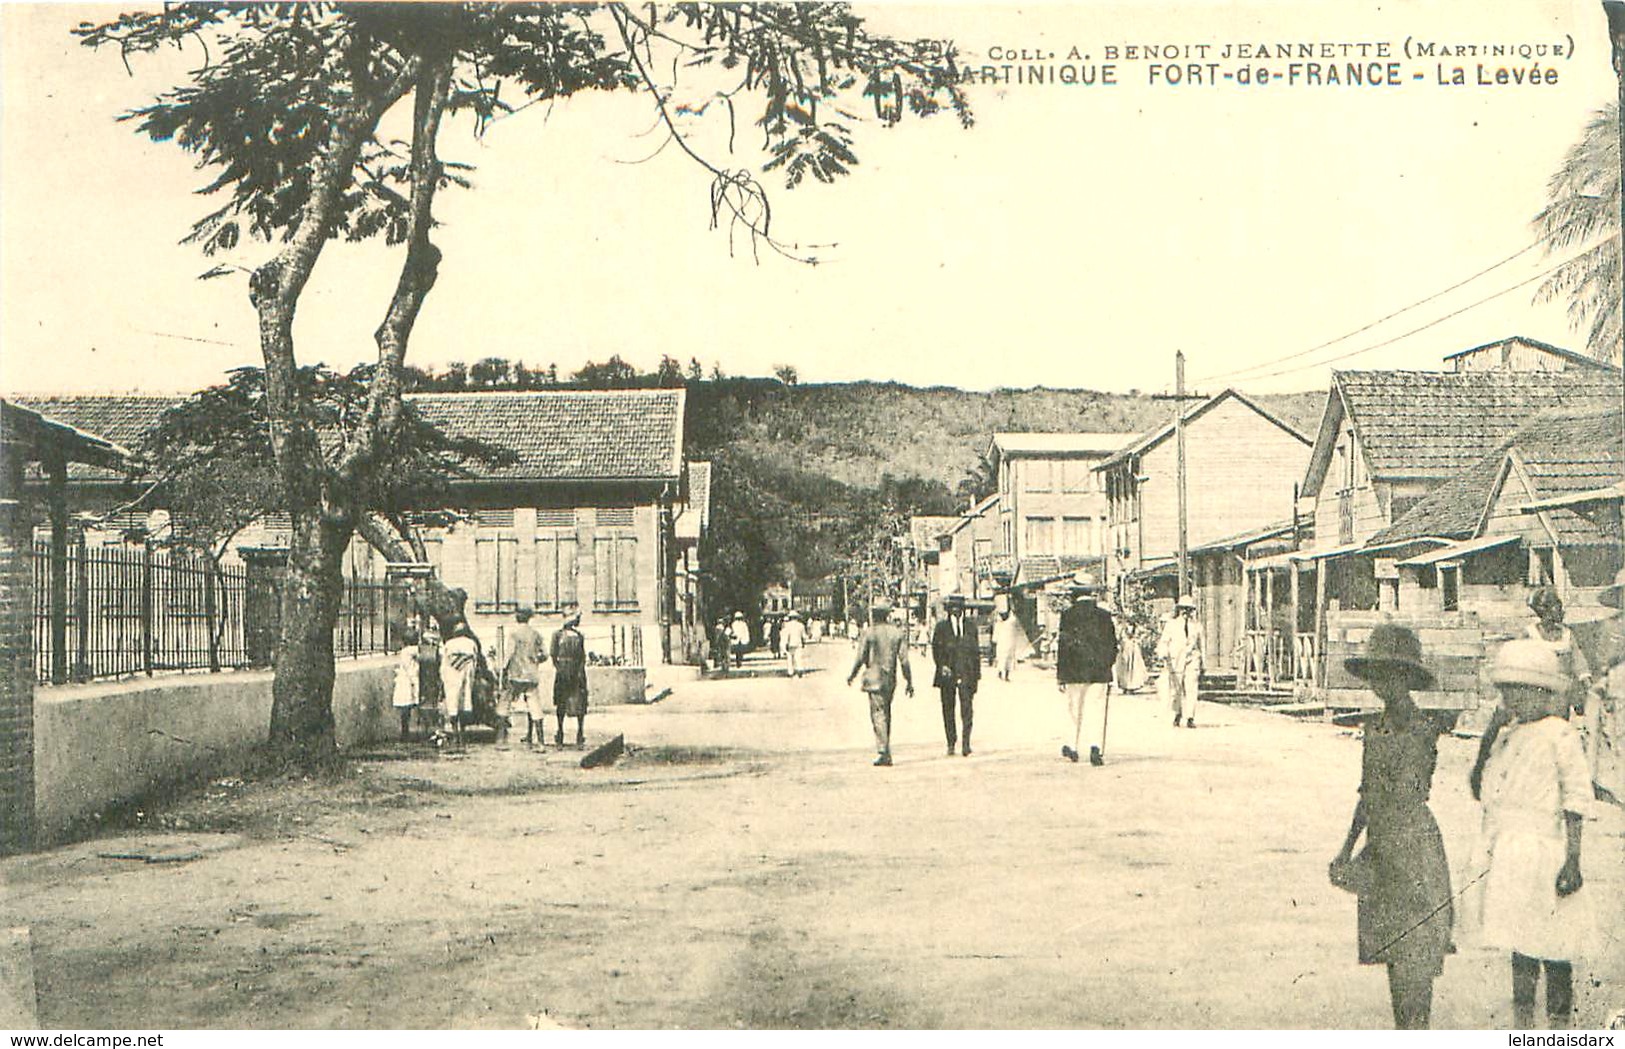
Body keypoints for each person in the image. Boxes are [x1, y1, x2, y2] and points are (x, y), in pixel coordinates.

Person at [1329, 624, 1454, 1030]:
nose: (1383, 683)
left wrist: (1375, 841)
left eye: (1392, 674)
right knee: (1394, 956)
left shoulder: (1421, 729)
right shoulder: (1376, 728)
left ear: (1408, 678)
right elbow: (1367, 794)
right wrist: (1347, 848)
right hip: (1383, 843)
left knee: (1414, 960)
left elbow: (1408, 793)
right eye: (1377, 675)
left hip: (1412, 847)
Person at [1461, 639, 1591, 1030]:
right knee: (1520, 945)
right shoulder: (1507, 734)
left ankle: (1559, 1029)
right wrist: (1488, 737)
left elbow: (1576, 799)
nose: (1513, 699)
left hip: (1545, 852)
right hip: (1510, 852)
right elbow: (1478, 788)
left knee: (1554, 946)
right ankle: (1523, 1027)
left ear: (1544, 692)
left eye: (1522, 691)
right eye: (1507, 691)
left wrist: (1573, 859)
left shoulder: (1559, 733)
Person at [1055, 574, 1118, 766]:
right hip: (1099, 673)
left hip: (1074, 673)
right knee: (1097, 710)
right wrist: (1106, 665)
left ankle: (1072, 746)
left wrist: (1061, 676)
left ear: (1075, 593)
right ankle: (1095, 748)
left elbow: (1064, 647)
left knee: (1074, 709)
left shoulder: (1068, 615)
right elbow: (1113, 646)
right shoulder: (1104, 616)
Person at [847, 599, 914, 766]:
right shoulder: (897, 633)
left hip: (874, 679)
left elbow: (861, 657)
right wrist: (909, 681)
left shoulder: (868, 633)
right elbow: (904, 661)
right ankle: (886, 750)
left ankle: (883, 751)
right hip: (890, 679)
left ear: (875, 614)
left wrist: (852, 675)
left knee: (878, 714)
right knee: (886, 714)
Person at [931, 595, 982, 757]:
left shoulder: (971, 627)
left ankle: (966, 744)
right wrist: (942, 666)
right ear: (948, 610)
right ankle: (951, 742)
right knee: (948, 709)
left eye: (959, 607)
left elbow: (976, 653)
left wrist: (977, 676)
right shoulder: (941, 628)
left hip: (967, 674)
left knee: (967, 710)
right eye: (953, 607)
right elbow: (936, 650)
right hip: (948, 675)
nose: (956, 610)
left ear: (963, 609)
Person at [503, 608, 548, 747]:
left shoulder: (513, 634)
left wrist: (504, 670)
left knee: (505, 704)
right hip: (531, 674)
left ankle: (501, 741)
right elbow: (545, 655)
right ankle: (540, 741)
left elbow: (509, 654)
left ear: (518, 617)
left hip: (516, 674)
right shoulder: (536, 634)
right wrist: (534, 661)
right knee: (534, 706)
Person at [1158, 595, 1204, 728]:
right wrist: (1164, 653)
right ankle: (1177, 713)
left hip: (1192, 658)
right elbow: (1164, 641)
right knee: (1176, 689)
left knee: (1191, 688)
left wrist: (1202, 663)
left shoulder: (1196, 626)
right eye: (1183, 609)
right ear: (1179, 610)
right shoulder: (1171, 624)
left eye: (1188, 609)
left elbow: (1201, 645)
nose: (1186, 612)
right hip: (1176, 660)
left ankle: (1190, 717)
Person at [550, 611, 590, 749]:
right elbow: (582, 656)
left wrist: (560, 668)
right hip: (575, 671)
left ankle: (563, 733)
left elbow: (553, 655)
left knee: (563, 702)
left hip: (564, 671)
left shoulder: (558, 635)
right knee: (577, 702)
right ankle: (577, 734)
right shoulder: (577, 636)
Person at [437, 622, 480, 748]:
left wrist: (442, 679)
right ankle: (463, 733)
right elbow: (475, 661)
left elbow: (444, 663)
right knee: (465, 701)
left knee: (452, 702)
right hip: (467, 675)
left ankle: (455, 733)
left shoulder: (449, 644)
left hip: (452, 676)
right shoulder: (471, 643)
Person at [392, 625, 420, 742]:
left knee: (405, 708)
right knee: (406, 707)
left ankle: (405, 732)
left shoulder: (404, 652)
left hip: (405, 680)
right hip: (408, 680)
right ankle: (405, 733)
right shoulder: (409, 652)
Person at [993, 606, 1027, 682]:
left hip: (1010, 641)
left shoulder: (1013, 620)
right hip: (1002, 641)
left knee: (1009, 658)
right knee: (1002, 658)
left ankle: (1006, 674)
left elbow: (1018, 629)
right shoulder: (999, 622)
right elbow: (996, 632)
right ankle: (1000, 672)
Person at [1114, 618, 1149, 693]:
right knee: (1124, 667)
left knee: (1133, 666)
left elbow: (1146, 632)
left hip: (1133, 649)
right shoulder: (1122, 629)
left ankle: (1133, 686)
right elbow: (1118, 638)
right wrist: (1120, 643)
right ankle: (1125, 686)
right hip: (1125, 649)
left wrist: (1138, 640)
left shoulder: (1137, 628)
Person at [783, 611, 809, 678]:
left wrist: (785, 643)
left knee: (790, 658)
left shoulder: (787, 625)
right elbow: (804, 636)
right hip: (798, 643)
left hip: (790, 643)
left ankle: (790, 672)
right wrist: (804, 642)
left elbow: (786, 635)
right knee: (798, 657)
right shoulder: (801, 625)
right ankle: (800, 670)